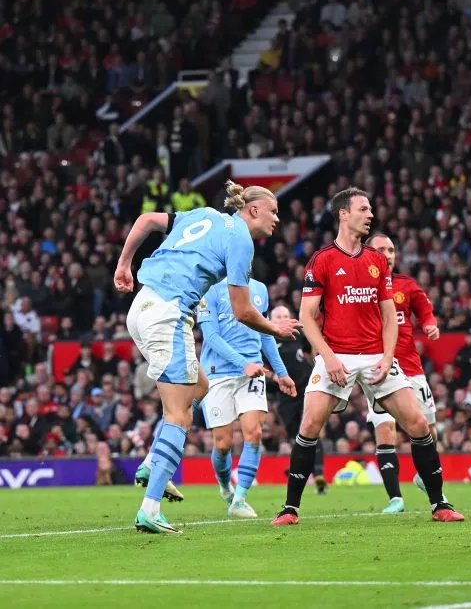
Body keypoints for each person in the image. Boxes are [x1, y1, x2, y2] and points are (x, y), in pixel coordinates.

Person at [114, 179, 301, 534]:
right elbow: (243, 311)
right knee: (178, 414)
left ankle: (153, 463)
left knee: (199, 387)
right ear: (254, 209)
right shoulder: (241, 239)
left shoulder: (203, 214)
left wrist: (125, 264)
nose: (277, 220)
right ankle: (150, 509)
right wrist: (275, 330)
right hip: (170, 313)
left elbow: (145, 222)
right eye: (274, 212)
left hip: (142, 305)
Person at [272, 187, 464, 525]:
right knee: (310, 424)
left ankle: (439, 505)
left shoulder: (377, 262)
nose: (370, 214)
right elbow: (306, 317)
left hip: (376, 355)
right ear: (344, 214)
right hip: (337, 355)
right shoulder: (322, 260)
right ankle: (290, 509)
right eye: (364, 209)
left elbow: (390, 317)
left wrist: (389, 356)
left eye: (371, 209)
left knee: (418, 423)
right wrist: (328, 357)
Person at [198, 278, 297, 518]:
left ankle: (240, 499)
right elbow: (210, 337)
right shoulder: (209, 290)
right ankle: (225, 487)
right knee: (222, 444)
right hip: (217, 374)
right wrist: (244, 364)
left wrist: (282, 373)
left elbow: (265, 335)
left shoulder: (260, 288)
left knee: (253, 433)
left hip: (252, 373)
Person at [365, 233, 442, 514]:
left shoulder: (406, 285)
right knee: (385, 429)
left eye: (391, 249)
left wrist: (430, 325)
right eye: (381, 249)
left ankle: (424, 475)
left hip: (410, 368)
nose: (388, 254)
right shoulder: (359, 287)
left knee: (426, 429)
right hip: (377, 369)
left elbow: (425, 312)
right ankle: (395, 498)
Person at [270, 304, 327, 495]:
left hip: (306, 387)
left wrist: (315, 355)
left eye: (286, 315)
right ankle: (305, 469)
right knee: (297, 436)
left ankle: (318, 473)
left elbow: (310, 349)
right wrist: (273, 378)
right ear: (270, 319)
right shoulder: (266, 339)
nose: (283, 319)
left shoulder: (298, 334)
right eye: (278, 316)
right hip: (286, 394)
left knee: (310, 428)